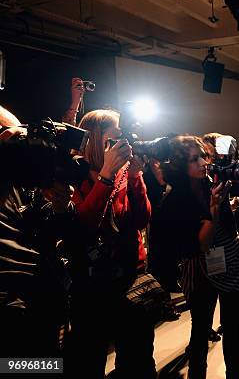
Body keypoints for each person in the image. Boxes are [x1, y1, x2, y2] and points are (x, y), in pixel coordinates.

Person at [152, 134, 239, 379]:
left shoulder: (214, 181)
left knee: (233, 330)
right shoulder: (175, 200)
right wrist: (214, 208)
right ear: (181, 166)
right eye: (194, 159)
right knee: (201, 331)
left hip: (231, 263)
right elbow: (200, 245)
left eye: (204, 155)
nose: (203, 162)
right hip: (200, 268)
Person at [65, 109, 155, 379]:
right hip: (91, 284)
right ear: (96, 140)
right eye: (115, 137)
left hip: (129, 276)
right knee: (89, 361)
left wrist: (137, 176)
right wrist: (105, 175)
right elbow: (85, 225)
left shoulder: (125, 173)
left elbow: (141, 219)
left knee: (138, 362)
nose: (122, 142)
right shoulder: (74, 174)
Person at [0, 107, 75, 362]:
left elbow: (55, 232)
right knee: (18, 368)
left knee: (47, 366)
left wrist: (61, 206)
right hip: (10, 308)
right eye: (14, 138)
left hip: (45, 298)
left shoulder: (26, 183)